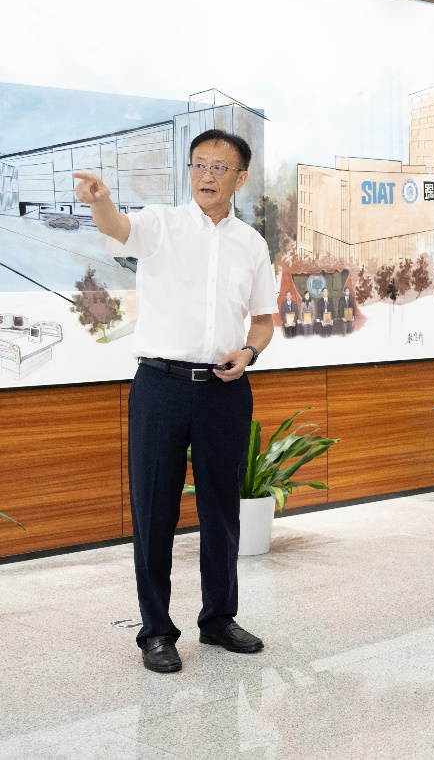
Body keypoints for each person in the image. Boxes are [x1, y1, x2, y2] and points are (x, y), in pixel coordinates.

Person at [72, 129, 276, 674]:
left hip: (225, 390)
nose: (206, 175)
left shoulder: (251, 244)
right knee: (154, 510)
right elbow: (117, 228)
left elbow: (263, 319)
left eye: (219, 167)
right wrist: (99, 202)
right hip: (160, 386)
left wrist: (249, 352)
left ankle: (218, 619)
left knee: (222, 510)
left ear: (240, 178)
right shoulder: (161, 222)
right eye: (198, 164)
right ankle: (156, 631)